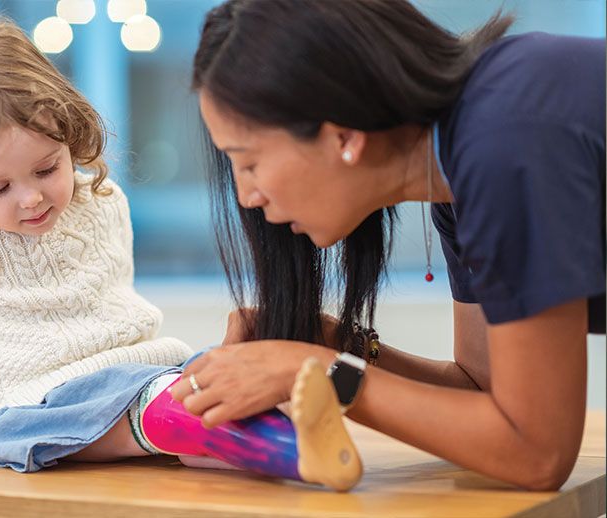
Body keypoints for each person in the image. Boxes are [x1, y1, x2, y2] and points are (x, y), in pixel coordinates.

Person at [0, 17, 364, 491]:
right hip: (41, 403)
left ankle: (289, 437)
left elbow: (112, 301)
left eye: (46, 170)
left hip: (145, 370)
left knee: (209, 380)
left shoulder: (104, 202)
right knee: (147, 414)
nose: (32, 198)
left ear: (70, 136)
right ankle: (274, 443)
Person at [171, 0, 606, 491]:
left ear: (343, 135)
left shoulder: (505, 145)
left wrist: (317, 371)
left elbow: (537, 452)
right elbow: (483, 392)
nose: (247, 195)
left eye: (247, 161)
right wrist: (333, 342)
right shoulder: (457, 171)